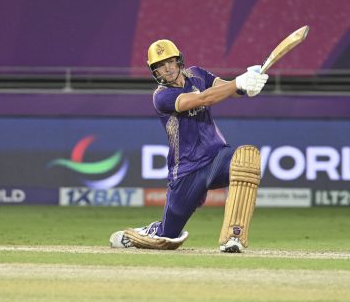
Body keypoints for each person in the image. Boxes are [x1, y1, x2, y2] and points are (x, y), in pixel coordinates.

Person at [110, 39, 269, 253]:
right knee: (167, 238)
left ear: (179, 61)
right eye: (159, 65)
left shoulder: (197, 74)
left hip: (215, 158)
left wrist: (248, 85)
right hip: (186, 171)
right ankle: (143, 234)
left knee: (246, 158)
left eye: (170, 61)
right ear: (153, 70)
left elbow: (226, 88)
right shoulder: (161, 97)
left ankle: (234, 236)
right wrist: (238, 83)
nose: (166, 68)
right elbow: (203, 98)